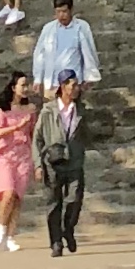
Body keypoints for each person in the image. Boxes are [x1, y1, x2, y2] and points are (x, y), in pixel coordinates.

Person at [0, 77, 39, 250]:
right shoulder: (3, 109)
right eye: (22, 85)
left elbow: (33, 133)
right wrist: (16, 127)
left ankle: (11, 237)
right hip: (6, 153)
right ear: (14, 88)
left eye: (27, 85)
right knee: (8, 192)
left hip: (24, 155)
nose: (26, 88)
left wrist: (37, 158)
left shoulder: (30, 109)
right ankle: (2, 226)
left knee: (17, 197)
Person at [37, 67, 89, 255]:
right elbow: (37, 138)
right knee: (53, 203)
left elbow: (86, 133)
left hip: (74, 161)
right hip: (53, 162)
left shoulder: (80, 109)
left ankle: (68, 229)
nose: (76, 89)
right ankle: (56, 242)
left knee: (75, 199)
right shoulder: (48, 110)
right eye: (73, 85)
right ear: (63, 86)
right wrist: (38, 164)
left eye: (77, 85)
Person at [29, 0, 100, 101]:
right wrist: (38, 78)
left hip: (72, 84)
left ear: (71, 10)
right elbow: (39, 54)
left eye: (64, 11)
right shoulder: (48, 29)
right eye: (58, 12)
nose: (61, 15)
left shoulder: (81, 27)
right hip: (52, 83)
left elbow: (89, 52)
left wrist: (89, 77)